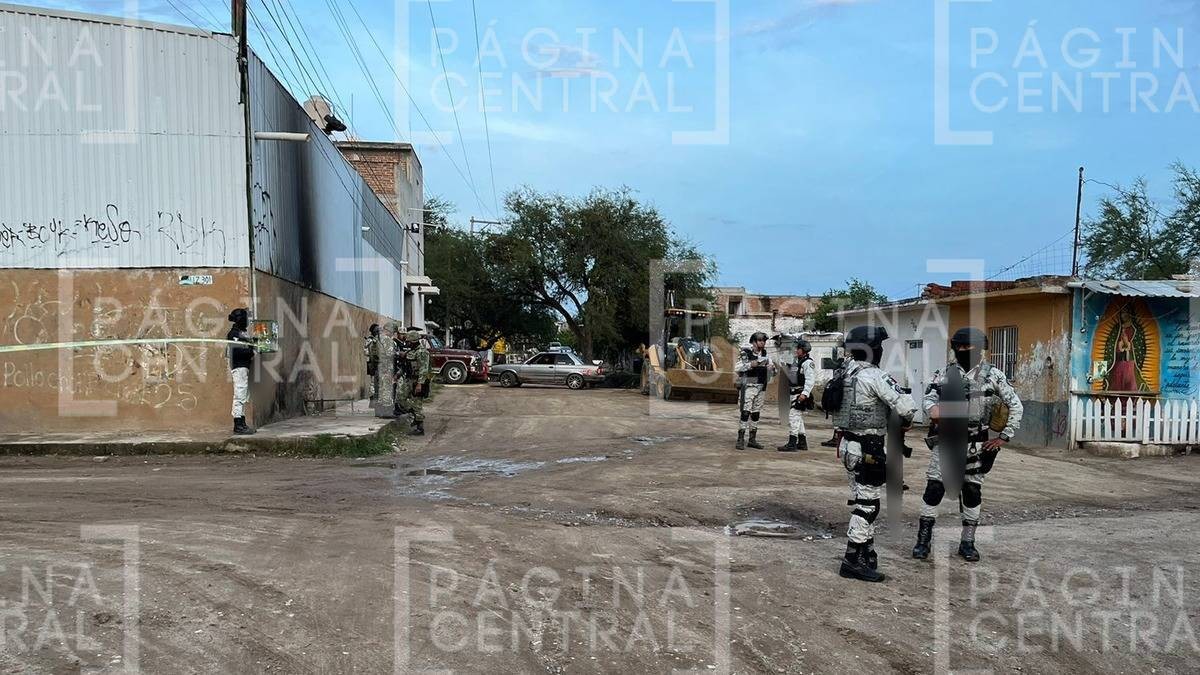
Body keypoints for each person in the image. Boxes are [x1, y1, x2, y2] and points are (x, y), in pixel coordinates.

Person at [912, 327, 1023, 563]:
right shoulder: (944, 373)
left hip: (976, 444)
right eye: (959, 347)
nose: (963, 351)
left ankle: (968, 542)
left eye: (968, 347)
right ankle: (923, 541)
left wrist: (1004, 436)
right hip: (947, 441)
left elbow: (1016, 405)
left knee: (971, 491)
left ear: (980, 349)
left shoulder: (994, 375)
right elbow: (929, 399)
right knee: (934, 489)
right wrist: (934, 410)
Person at [835, 326, 916, 582]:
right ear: (873, 350)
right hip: (869, 447)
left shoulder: (843, 372)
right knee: (868, 505)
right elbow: (908, 408)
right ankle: (852, 558)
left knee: (862, 499)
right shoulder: (875, 376)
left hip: (848, 446)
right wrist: (902, 421)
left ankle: (867, 553)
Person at [734, 331, 775, 450]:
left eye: (764, 340)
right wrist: (752, 364)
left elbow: (773, 372)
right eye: (760, 340)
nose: (762, 342)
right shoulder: (745, 353)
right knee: (746, 412)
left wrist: (771, 369)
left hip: (761, 386)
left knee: (756, 413)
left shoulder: (766, 355)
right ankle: (740, 438)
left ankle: (752, 439)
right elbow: (737, 368)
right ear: (754, 342)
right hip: (749, 386)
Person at [778, 339, 816, 452]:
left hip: (800, 394)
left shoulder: (808, 363)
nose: (796, 350)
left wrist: (804, 394)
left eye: (798, 348)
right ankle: (802, 442)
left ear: (803, 350)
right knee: (798, 418)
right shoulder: (797, 361)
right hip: (793, 393)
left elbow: (810, 379)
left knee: (793, 417)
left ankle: (792, 443)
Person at [394, 329, 432, 435]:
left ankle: (420, 428)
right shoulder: (411, 352)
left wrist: (420, 384)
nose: (407, 343)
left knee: (417, 404)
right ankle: (413, 413)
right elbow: (406, 366)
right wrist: (397, 375)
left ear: (413, 341)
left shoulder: (422, 352)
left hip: (418, 382)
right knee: (400, 398)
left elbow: (424, 369)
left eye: (409, 341)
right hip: (409, 380)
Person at [226, 308, 256, 435]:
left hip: (244, 367)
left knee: (243, 394)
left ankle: (242, 422)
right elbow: (237, 351)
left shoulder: (241, 333)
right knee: (239, 394)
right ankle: (238, 424)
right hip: (239, 367)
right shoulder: (234, 334)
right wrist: (250, 350)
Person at [364, 323, 381, 401]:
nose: (378, 332)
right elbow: (366, 352)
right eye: (377, 330)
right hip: (372, 363)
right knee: (373, 381)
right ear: (373, 331)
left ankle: (377, 395)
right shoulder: (370, 340)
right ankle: (372, 396)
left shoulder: (378, 339)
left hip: (378, 362)